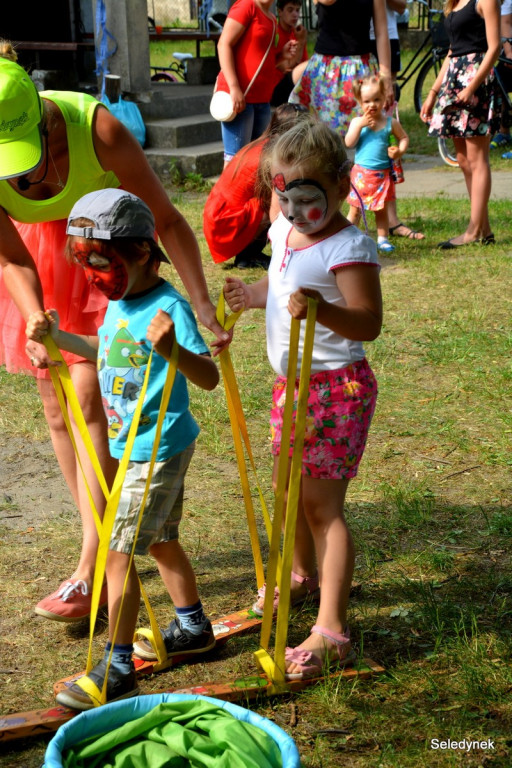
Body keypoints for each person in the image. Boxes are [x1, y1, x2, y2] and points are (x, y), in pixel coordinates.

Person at [0, 49, 229, 623]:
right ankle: (99, 543)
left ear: (44, 120)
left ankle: (95, 562)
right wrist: (35, 321)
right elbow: (13, 258)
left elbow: (167, 219)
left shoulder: (94, 126)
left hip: (100, 255)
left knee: (91, 396)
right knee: (59, 410)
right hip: (41, 264)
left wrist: (200, 304)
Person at [26, 189, 220, 710]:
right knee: (159, 542)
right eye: (82, 261)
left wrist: (173, 350)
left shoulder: (168, 307)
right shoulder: (119, 303)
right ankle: (192, 627)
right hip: (131, 447)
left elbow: (209, 378)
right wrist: (59, 338)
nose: (92, 272)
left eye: (100, 260)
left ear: (139, 252)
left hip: (158, 449)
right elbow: (103, 350)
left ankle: (116, 667)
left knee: (117, 553)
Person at [223, 121, 382, 679]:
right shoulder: (284, 233)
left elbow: (368, 322)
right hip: (290, 387)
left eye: (307, 199)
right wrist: (253, 295)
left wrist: (321, 309)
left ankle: (332, 629)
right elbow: (282, 286)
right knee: (286, 492)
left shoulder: (349, 245)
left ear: (341, 184)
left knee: (321, 508)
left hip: (336, 389)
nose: (294, 211)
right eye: (283, 197)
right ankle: (298, 577)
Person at [420, 0, 501, 248]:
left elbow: (495, 47)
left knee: (477, 159)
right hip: (454, 78)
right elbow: (452, 51)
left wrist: (473, 86)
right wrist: (433, 92)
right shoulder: (454, 3)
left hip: (474, 79)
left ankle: (474, 230)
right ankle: (483, 227)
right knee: (463, 159)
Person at [203, 103, 309, 269]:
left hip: (217, 215)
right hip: (224, 222)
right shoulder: (274, 156)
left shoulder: (265, 142)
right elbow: (275, 211)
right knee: (283, 204)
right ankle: (250, 254)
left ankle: (247, 255)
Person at [289, 0, 393, 135]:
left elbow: (382, 32)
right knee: (322, 139)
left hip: (361, 69)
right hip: (326, 73)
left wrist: (386, 75)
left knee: (367, 134)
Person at [216, 0, 298, 167]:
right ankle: (226, 194)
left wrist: (282, 54)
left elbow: (265, 60)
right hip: (241, 98)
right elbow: (224, 44)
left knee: (257, 161)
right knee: (235, 162)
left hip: (262, 99)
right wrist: (234, 87)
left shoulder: (271, 18)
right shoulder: (247, 6)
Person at [369, 0, 426, 240]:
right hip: (354, 44)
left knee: (385, 133)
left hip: (386, 40)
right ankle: (355, 214)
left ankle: (391, 220)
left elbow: (402, 7)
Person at [345, 74, 409, 254]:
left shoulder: (390, 123)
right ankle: (348, 237)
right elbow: (349, 143)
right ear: (359, 101)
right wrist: (359, 126)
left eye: (376, 100)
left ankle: (382, 238)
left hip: (382, 175)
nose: (372, 104)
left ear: (384, 99)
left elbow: (403, 138)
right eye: (366, 101)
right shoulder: (358, 122)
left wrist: (399, 151)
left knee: (381, 210)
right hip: (361, 176)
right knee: (355, 210)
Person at [270, 0, 309, 108]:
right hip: (275, 89)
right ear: (280, 11)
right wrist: (301, 42)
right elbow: (288, 66)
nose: (295, 14)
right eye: (290, 10)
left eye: (297, 10)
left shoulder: (297, 33)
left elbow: (303, 64)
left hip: (294, 85)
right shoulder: (274, 32)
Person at [491, 0, 512, 154]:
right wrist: (509, 51)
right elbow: (505, 21)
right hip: (510, 45)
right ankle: (504, 133)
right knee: (500, 84)